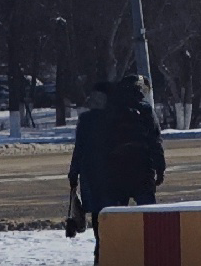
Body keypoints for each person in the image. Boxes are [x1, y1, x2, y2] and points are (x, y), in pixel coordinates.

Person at [68, 76, 165, 255]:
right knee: (149, 213)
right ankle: (153, 249)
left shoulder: (102, 115)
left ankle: (106, 252)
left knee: (110, 215)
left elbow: (84, 148)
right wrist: (160, 168)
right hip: (142, 171)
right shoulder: (144, 110)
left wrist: (74, 174)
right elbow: (155, 142)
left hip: (113, 174)